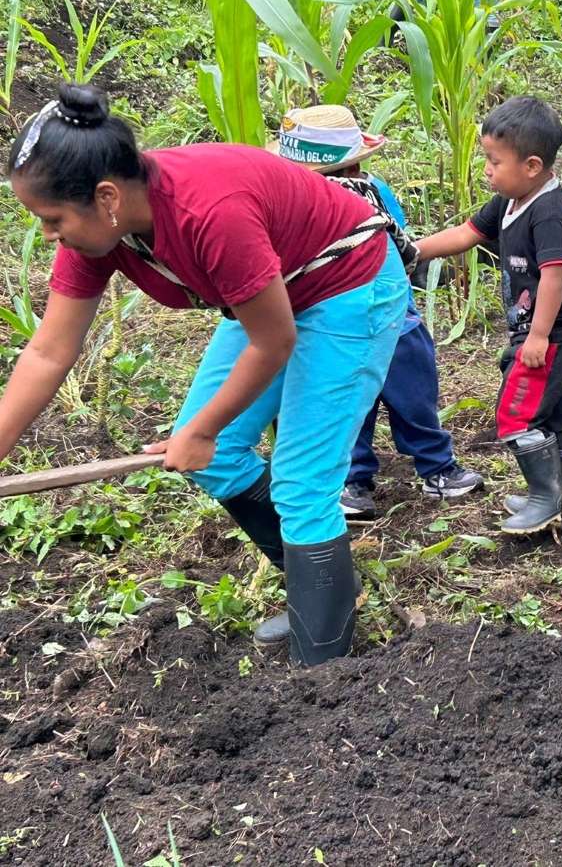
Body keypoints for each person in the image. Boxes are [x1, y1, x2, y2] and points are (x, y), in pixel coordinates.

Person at [3, 82, 409, 667]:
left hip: (349, 283)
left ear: (107, 195)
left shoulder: (207, 212)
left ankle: (326, 678)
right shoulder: (96, 233)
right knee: (220, 458)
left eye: (52, 218)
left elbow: (274, 341)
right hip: (271, 292)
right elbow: (47, 352)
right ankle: (323, 593)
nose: (47, 234)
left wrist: (203, 428)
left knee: (302, 483)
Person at [272, 105, 485, 522]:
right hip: (377, 319)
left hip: (364, 320)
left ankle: (386, 476)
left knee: (376, 401)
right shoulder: (335, 198)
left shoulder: (347, 197)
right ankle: (413, 473)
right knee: (397, 402)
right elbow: (405, 250)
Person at [415, 96, 562, 535]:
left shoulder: (548, 211)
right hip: (550, 337)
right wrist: (411, 249)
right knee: (550, 417)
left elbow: (555, 275)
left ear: (532, 165)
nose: (487, 170)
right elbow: (467, 233)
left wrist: (536, 337)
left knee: (516, 416)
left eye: (494, 161)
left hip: (554, 338)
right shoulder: (510, 201)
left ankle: (545, 497)